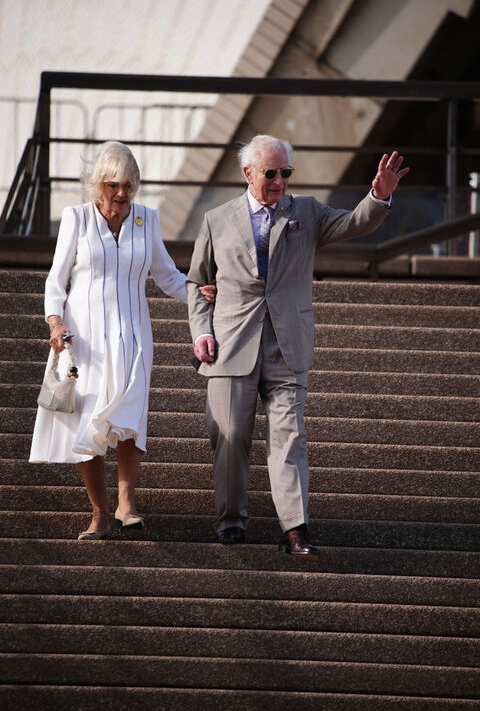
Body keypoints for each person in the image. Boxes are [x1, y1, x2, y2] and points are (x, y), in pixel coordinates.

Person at [187, 133, 409, 556]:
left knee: (289, 437)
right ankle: (231, 523)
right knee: (230, 433)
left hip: (288, 343)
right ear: (247, 173)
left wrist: (378, 196)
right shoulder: (217, 218)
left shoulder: (306, 210)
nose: (279, 181)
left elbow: (354, 223)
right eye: (270, 173)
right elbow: (198, 282)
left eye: (285, 172)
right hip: (231, 344)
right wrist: (202, 331)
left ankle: (296, 529)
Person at [29, 141, 215, 540]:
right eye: (113, 184)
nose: (121, 193)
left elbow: (167, 276)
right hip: (85, 339)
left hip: (133, 335)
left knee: (132, 415)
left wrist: (200, 291)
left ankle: (126, 503)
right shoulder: (76, 218)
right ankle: (99, 514)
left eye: (128, 185)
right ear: (98, 184)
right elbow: (55, 280)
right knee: (91, 418)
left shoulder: (147, 219)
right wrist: (54, 324)